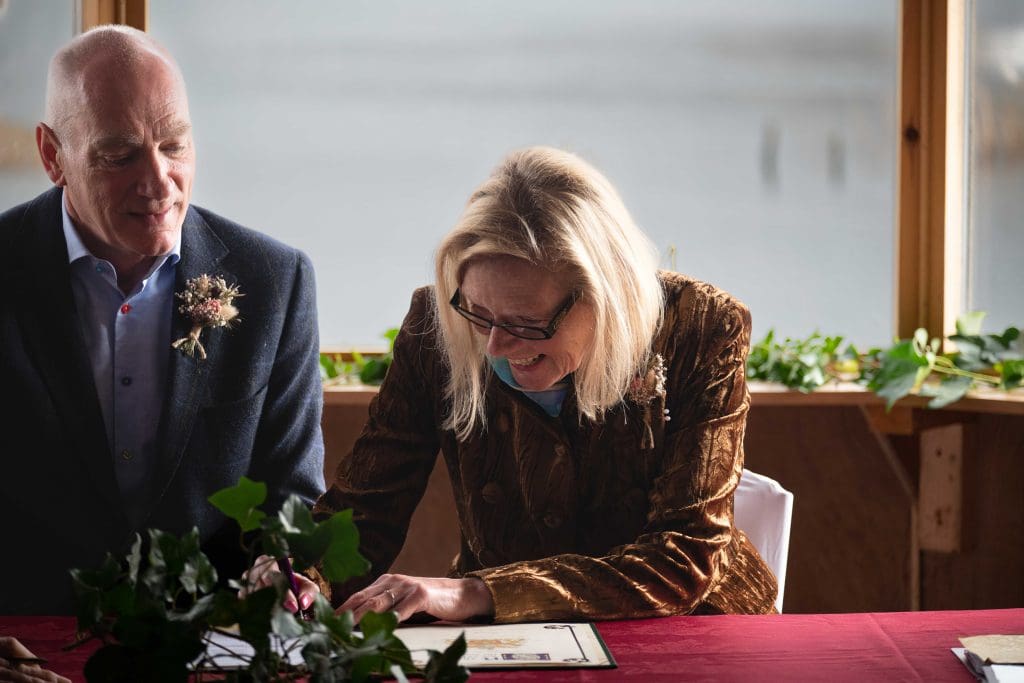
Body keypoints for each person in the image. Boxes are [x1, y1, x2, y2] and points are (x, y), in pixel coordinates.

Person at [253, 145, 777, 623]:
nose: (494, 347)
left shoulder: (701, 326)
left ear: (605, 297)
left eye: (526, 322)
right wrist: (305, 576)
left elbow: (683, 556)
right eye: (479, 314)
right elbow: (367, 507)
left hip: (691, 628)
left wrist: (480, 592)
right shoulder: (436, 328)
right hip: (512, 637)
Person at [0, 25, 325, 617]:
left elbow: (292, 500)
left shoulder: (276, 280)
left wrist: (286, 574)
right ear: (53, 156)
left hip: (215, 642)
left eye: (174, 146)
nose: (158, 182)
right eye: (119, 155)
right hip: (27, 638)